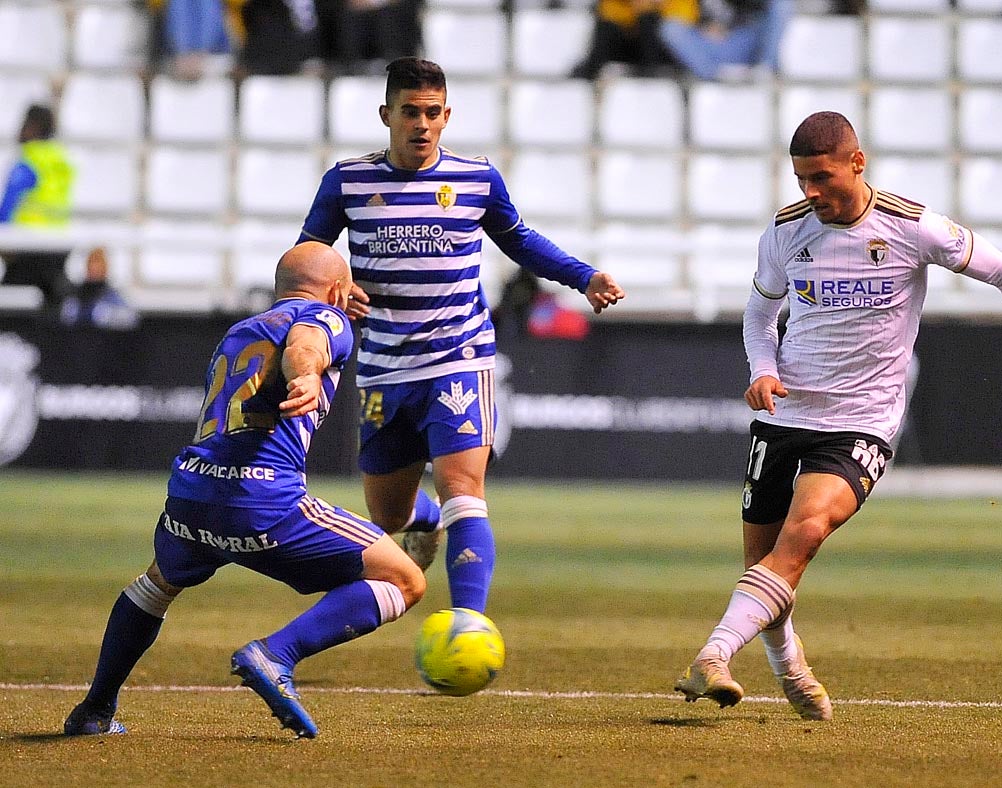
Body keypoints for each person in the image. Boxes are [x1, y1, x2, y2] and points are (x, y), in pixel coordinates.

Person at [673, 111, 1002, 720]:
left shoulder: (913, 227)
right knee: (766, 566)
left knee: (802, 536)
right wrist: (760, 370)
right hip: (785, 413)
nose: (810, 193)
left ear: (858, 162)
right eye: (801, 180)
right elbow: (758, 316)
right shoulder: (784, 232)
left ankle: (714, 654)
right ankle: (792, 671)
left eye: (821, 178)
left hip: (861, 420)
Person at [297, 57, 624, 616]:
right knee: (388, 516)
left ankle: (466, 623)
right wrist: (331, 291)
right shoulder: (347, 181)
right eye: (408, 113)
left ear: (446, 116)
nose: (420, 124)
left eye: (431, 113)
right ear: (386, 115)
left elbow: (519, 239)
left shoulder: (476, 178)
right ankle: (421, 520)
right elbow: (310, 260)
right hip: (383, 366)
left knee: (464, 491)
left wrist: (582, 276)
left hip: (459, 356)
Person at [63, 242, 427, 739]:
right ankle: (276, 655)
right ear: (338, 290)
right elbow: (307, 342)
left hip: (190, 496)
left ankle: (94, 711)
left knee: (155, 586)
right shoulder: (327, 318)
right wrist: (305, 374)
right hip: (262, 502)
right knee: (405, 581)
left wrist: (320, 323)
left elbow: (296, 330)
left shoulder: (240, 332)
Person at [0, 105, 74, 312]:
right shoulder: (60, 160)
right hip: (57, 247)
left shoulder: (30, 160)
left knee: (10, 310)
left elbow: (7, 206)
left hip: (28, 247)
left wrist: (4, 239)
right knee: (51, 309)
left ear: (33, 126)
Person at [658, 0, 791, 81]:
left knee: (782, 4)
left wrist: (729, 26)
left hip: (747, 41)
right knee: (670, 29)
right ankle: (714, 75)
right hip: (713, 46)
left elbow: (761, 13)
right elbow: (680, 16)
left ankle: (764, 68)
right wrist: (703, 25)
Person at [569, 0, 695, 81]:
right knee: (606, 27)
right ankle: (590, 73)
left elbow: (683, 23)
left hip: (663, 48)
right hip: (630, 39)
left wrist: (652, 6)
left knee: (648, 20)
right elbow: (608, 12)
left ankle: (650, 75)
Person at [59, 247, 140, 330]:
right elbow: (66, 317)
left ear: (105, 268)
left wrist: (110, 315)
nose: (95, 269)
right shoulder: (77, 294)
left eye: (99, 265)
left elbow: (130, 318)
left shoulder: (112, 294)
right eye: (92, 264)